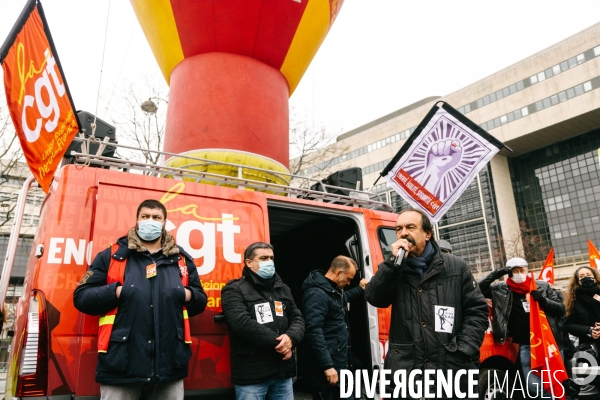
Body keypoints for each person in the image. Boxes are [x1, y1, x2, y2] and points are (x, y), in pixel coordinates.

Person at [73, 199, 208, 400]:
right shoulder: (112, 255)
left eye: (156, 217)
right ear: (137, 220)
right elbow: (81, 297)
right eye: (145, 216)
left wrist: (186, 294)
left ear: (164, 223)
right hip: (122, 365)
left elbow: (200, 300)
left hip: (169, 366)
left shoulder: (181, 259)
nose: (150, 221)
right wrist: (117, 292)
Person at [364, 209, 488, 397]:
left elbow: (477, 309)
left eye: (410, 227)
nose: (403, 233)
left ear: (427, 234)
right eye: (398, 229)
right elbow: (375, 297)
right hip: (405, 373)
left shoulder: (455, 266)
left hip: (451, 370)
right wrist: (391, 264)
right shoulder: (393, 267)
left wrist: (464, 348)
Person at [221, 242, 305, 400]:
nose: (269, 262)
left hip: (282, 373)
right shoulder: (234, 289)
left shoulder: (283, 288)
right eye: (264, 258)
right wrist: (281, 344)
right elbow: (241, 323)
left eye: (271, 258)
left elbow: (297, 317)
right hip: (252, 374)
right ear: (249, 263)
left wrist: (291, 338)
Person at [479, 257, 565, 398]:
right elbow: (479, 287)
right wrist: (498, 272)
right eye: (514, 271)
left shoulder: (542, 286)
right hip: (526, 344)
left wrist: (543, 300)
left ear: (527, 270)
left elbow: (560, 309)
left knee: (555, 382)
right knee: (532, 386)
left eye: (521, 270)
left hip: (549, 343)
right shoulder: (501, 289)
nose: (519, 273)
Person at [301, 256, 367, 400]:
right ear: (338, 273)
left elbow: (341, 300)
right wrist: (328, 366)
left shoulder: (332, 290)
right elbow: (313, 332)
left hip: (340, 365)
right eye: (348, 279)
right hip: (329, 369)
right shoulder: (316, 294)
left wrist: (360, 289)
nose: (349, 283)